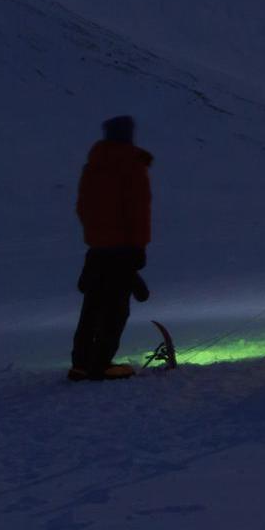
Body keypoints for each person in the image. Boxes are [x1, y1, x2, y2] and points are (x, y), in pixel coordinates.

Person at [68, 115, 152, 381]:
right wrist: (137, 246)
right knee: (116, 309)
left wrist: (97, 238)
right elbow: (137, 210)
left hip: (96, 251)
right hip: (122, 250)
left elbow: (83, 208)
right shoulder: (130, 165)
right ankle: (101, 364)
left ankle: (81, 363)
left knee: (92, 306)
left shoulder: (93, 166)